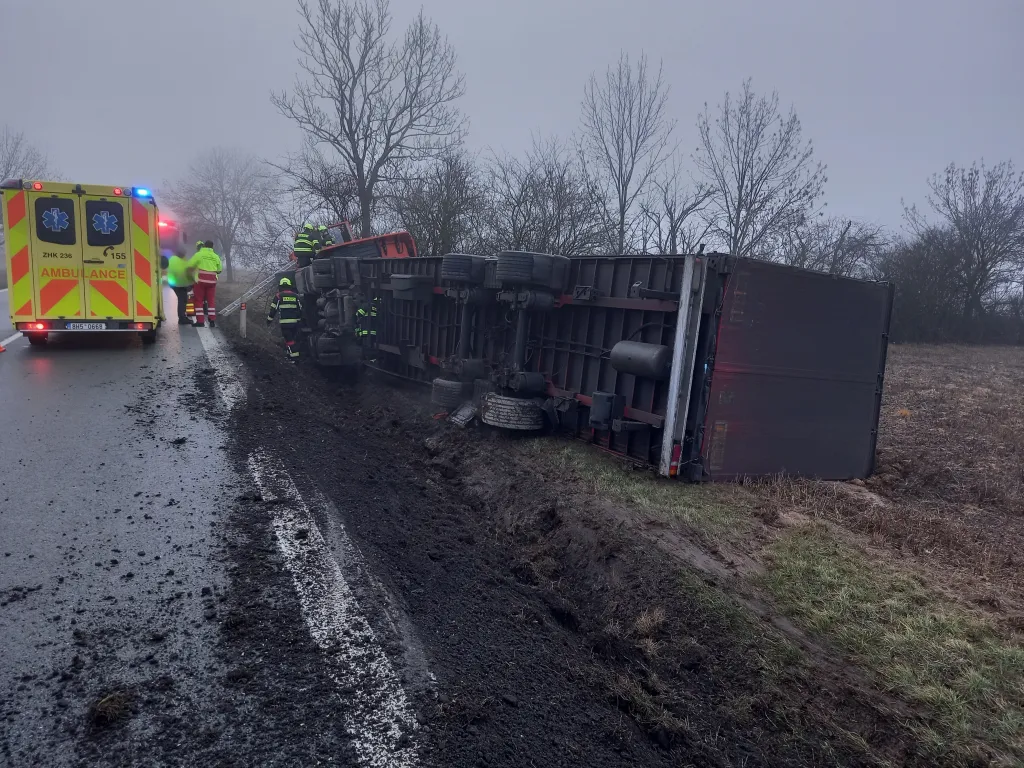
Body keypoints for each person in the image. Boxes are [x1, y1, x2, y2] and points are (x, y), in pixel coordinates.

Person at [266, 276, 303, 362]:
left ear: (281, 286)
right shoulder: (296, 296)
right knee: (293, 340)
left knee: (289, 341)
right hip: (295, 323)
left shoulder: (279, 296)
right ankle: (290, 356)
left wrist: (269, 320)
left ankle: (293, 359)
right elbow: (300, 309)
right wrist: (299, 320)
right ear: (290, 286)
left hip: (285, 324)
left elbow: (273, 310)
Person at [188, 240, 223, 328]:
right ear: (212, 247)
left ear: (204, 246)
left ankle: (200, 321)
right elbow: (219, 270)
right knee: (211, 301)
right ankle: (212, 321)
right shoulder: (216, 256)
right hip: (212, 282)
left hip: (200, 281)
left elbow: (190, 265)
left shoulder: (199, 254)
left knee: (199, 300)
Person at [166, 249, 196, 325]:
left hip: (174, 283)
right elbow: (185, 272)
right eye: (184, 254)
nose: (184, 256)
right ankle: (182, 319)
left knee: (182, 299)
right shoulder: (180, 261)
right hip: (179, 284)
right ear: (181, 254)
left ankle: (182, 317)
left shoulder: (172, 259)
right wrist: (192, 282)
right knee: (182, 300)